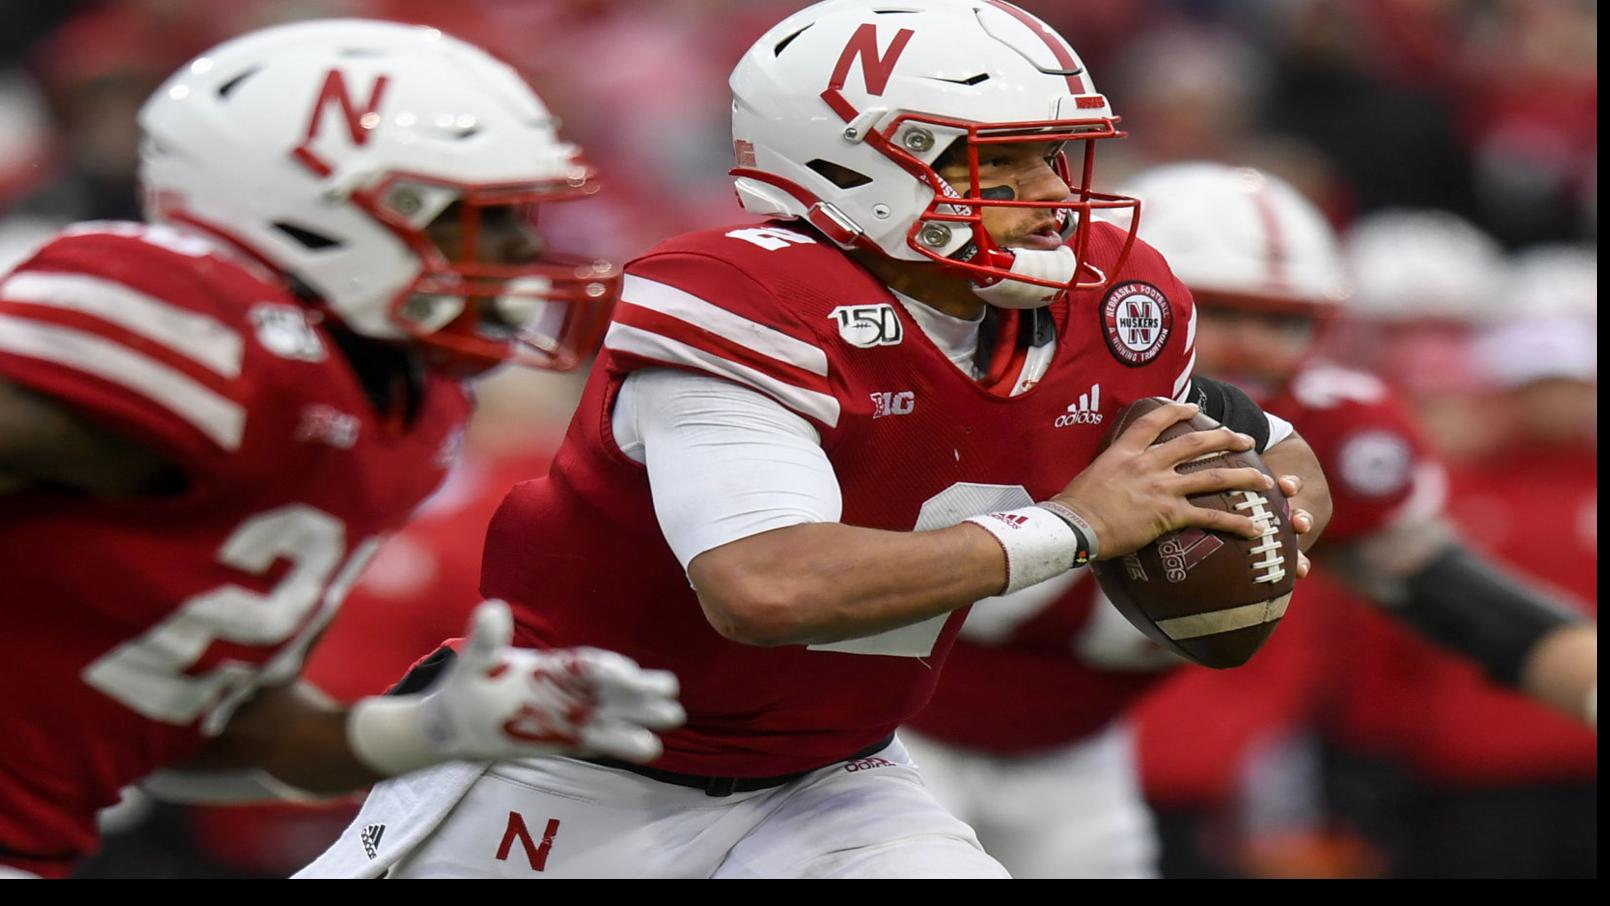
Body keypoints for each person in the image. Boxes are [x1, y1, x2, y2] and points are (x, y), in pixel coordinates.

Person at [302, 0, 1329, 879]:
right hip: (571, 768)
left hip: (832, 777)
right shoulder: (747, 300)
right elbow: (764, 588)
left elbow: (1256, 436)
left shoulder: (1110, 301)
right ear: (854, 163)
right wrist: (1073, 526)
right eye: (1000, 163)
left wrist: (1274, 495)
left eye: (1052, 157)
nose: (1055, 196)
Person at [0, 19, 682, 879]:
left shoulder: (408, 413)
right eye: (477, 215)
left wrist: (436, 727)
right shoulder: (203, 322)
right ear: (319, 210)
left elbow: (197, 726)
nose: (522, 249)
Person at [906, 161, 1595, 877]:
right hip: (894, 728)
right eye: (1218, 311)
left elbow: (1463, 604)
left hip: (1077, 753)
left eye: (1283, 320)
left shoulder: (1326, 430)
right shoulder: (1004, 384)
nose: (1252, 346)